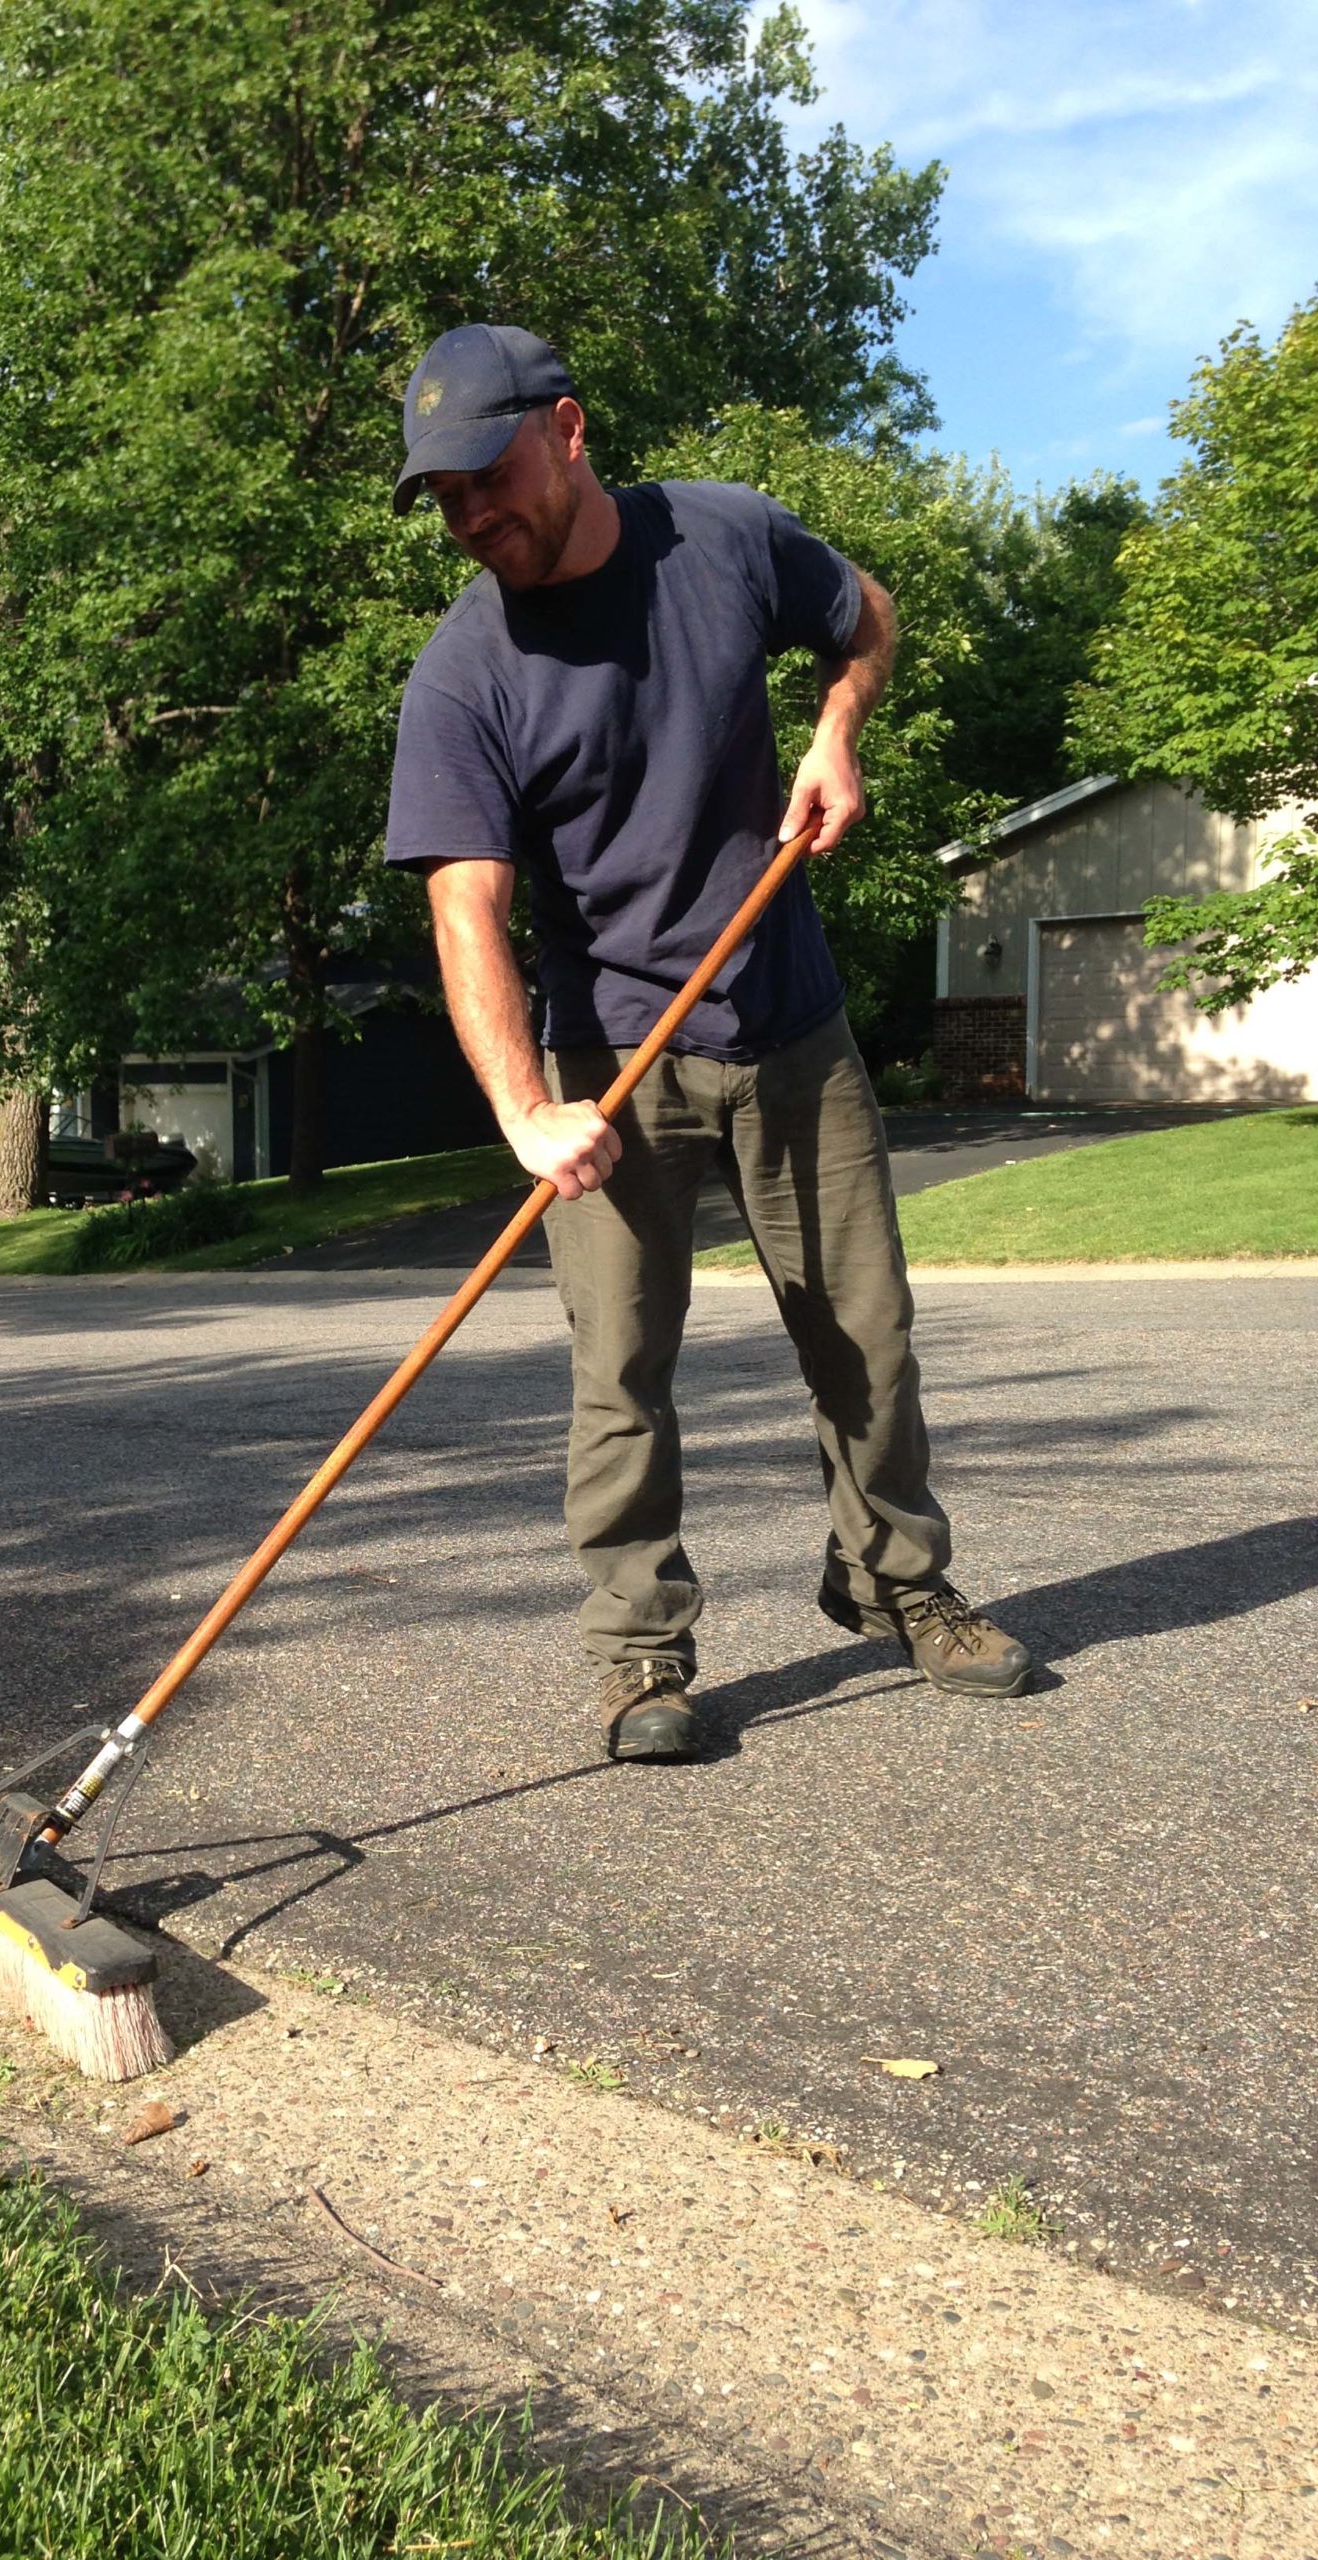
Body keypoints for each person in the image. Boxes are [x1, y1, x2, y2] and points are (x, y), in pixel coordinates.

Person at [384, 323, 1032, 1763]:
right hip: (611, 1059)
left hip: (789, 1020)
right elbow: (466, 910)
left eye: (488, 475)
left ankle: (894, 1580)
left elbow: (866, 613)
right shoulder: (464, 676)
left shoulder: (724, 538)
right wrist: (527, 1109)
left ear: (567, 430)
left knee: (866, 1342)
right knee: (621, 1370)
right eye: (445, 496)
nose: (471, 515)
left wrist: (837, 729)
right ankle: (641, 1652)